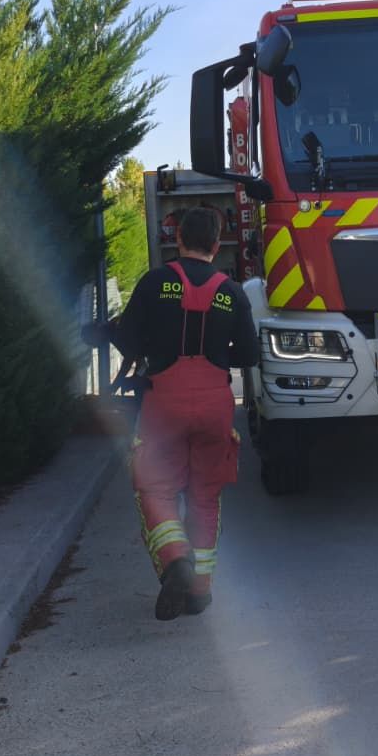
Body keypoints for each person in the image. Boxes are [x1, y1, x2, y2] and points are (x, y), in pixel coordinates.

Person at [112, 206, 259, 620]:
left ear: (178, 240)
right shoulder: (232, 292)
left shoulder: (155, 282)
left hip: (164, 402)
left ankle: (176, 561)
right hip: (214, 404)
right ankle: (199, 590)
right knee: (205, 497)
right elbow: (248, 354)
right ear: (216, 245)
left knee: (156, 489)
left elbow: (126, 339)